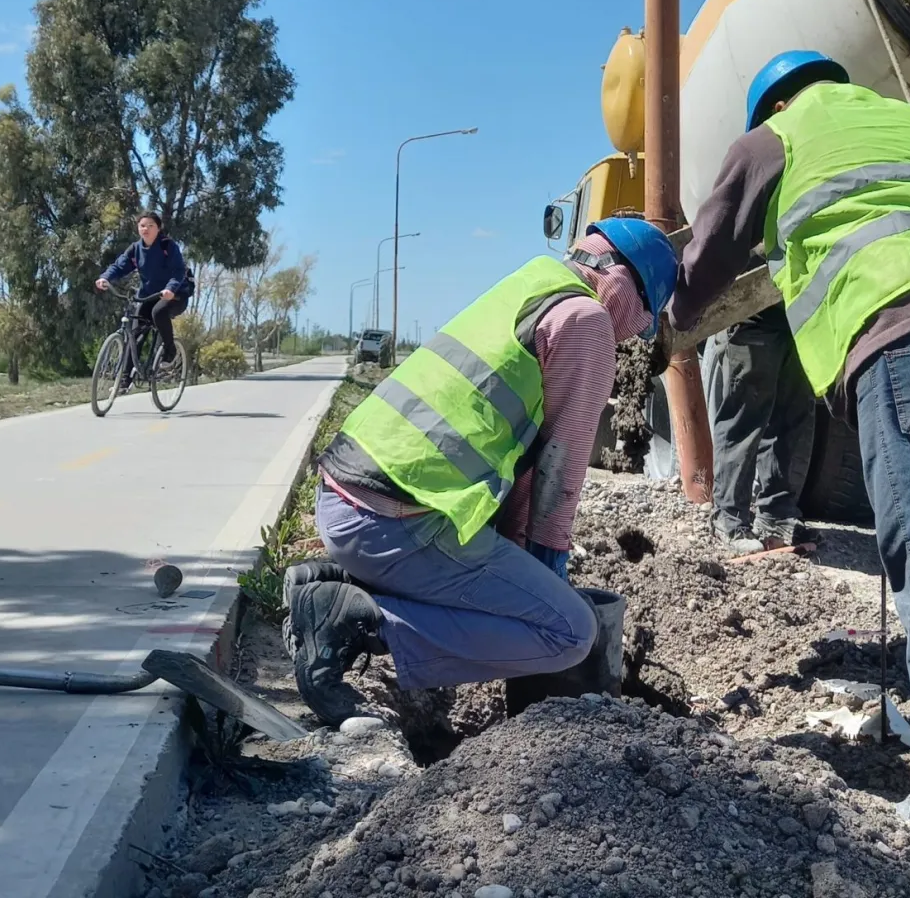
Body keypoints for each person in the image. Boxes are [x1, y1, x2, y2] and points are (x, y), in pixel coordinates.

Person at [666, 49, 910, 834]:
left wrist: (661, 323)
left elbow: (705, 263)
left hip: (902, 334)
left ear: (773, 106)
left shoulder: (772, 142)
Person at [283, 216, 678, 727]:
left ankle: (332, 580)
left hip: (347, 506)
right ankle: (361, 623)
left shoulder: (531, 285)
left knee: (510, 589)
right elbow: (561, 470)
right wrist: (548, 572)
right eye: (642, 320)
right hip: (393, 526)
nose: (631, 334)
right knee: (569, 633)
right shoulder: (586, 321)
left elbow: (523, 461)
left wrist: (522, 557)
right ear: (629, 286)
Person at [702, 301, 819, 555]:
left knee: (793, 414)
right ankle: (729, 518)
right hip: (751, 311)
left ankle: (777, 514)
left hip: (798, 314)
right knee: (745, 417)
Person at [95, 212, 190, 372]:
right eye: (142, 226)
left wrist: (171, 289)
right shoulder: (135, 249)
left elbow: (179, 271)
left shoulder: (167, 246)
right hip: (148, 295)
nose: (146, 229)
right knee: (135, 335)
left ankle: (170, 350)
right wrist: (105, 278)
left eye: (151, 225)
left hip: (175, 295)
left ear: (158, 228)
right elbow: (119, 266)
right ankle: (125, 379)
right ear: (138, 228)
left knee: (158, 312)